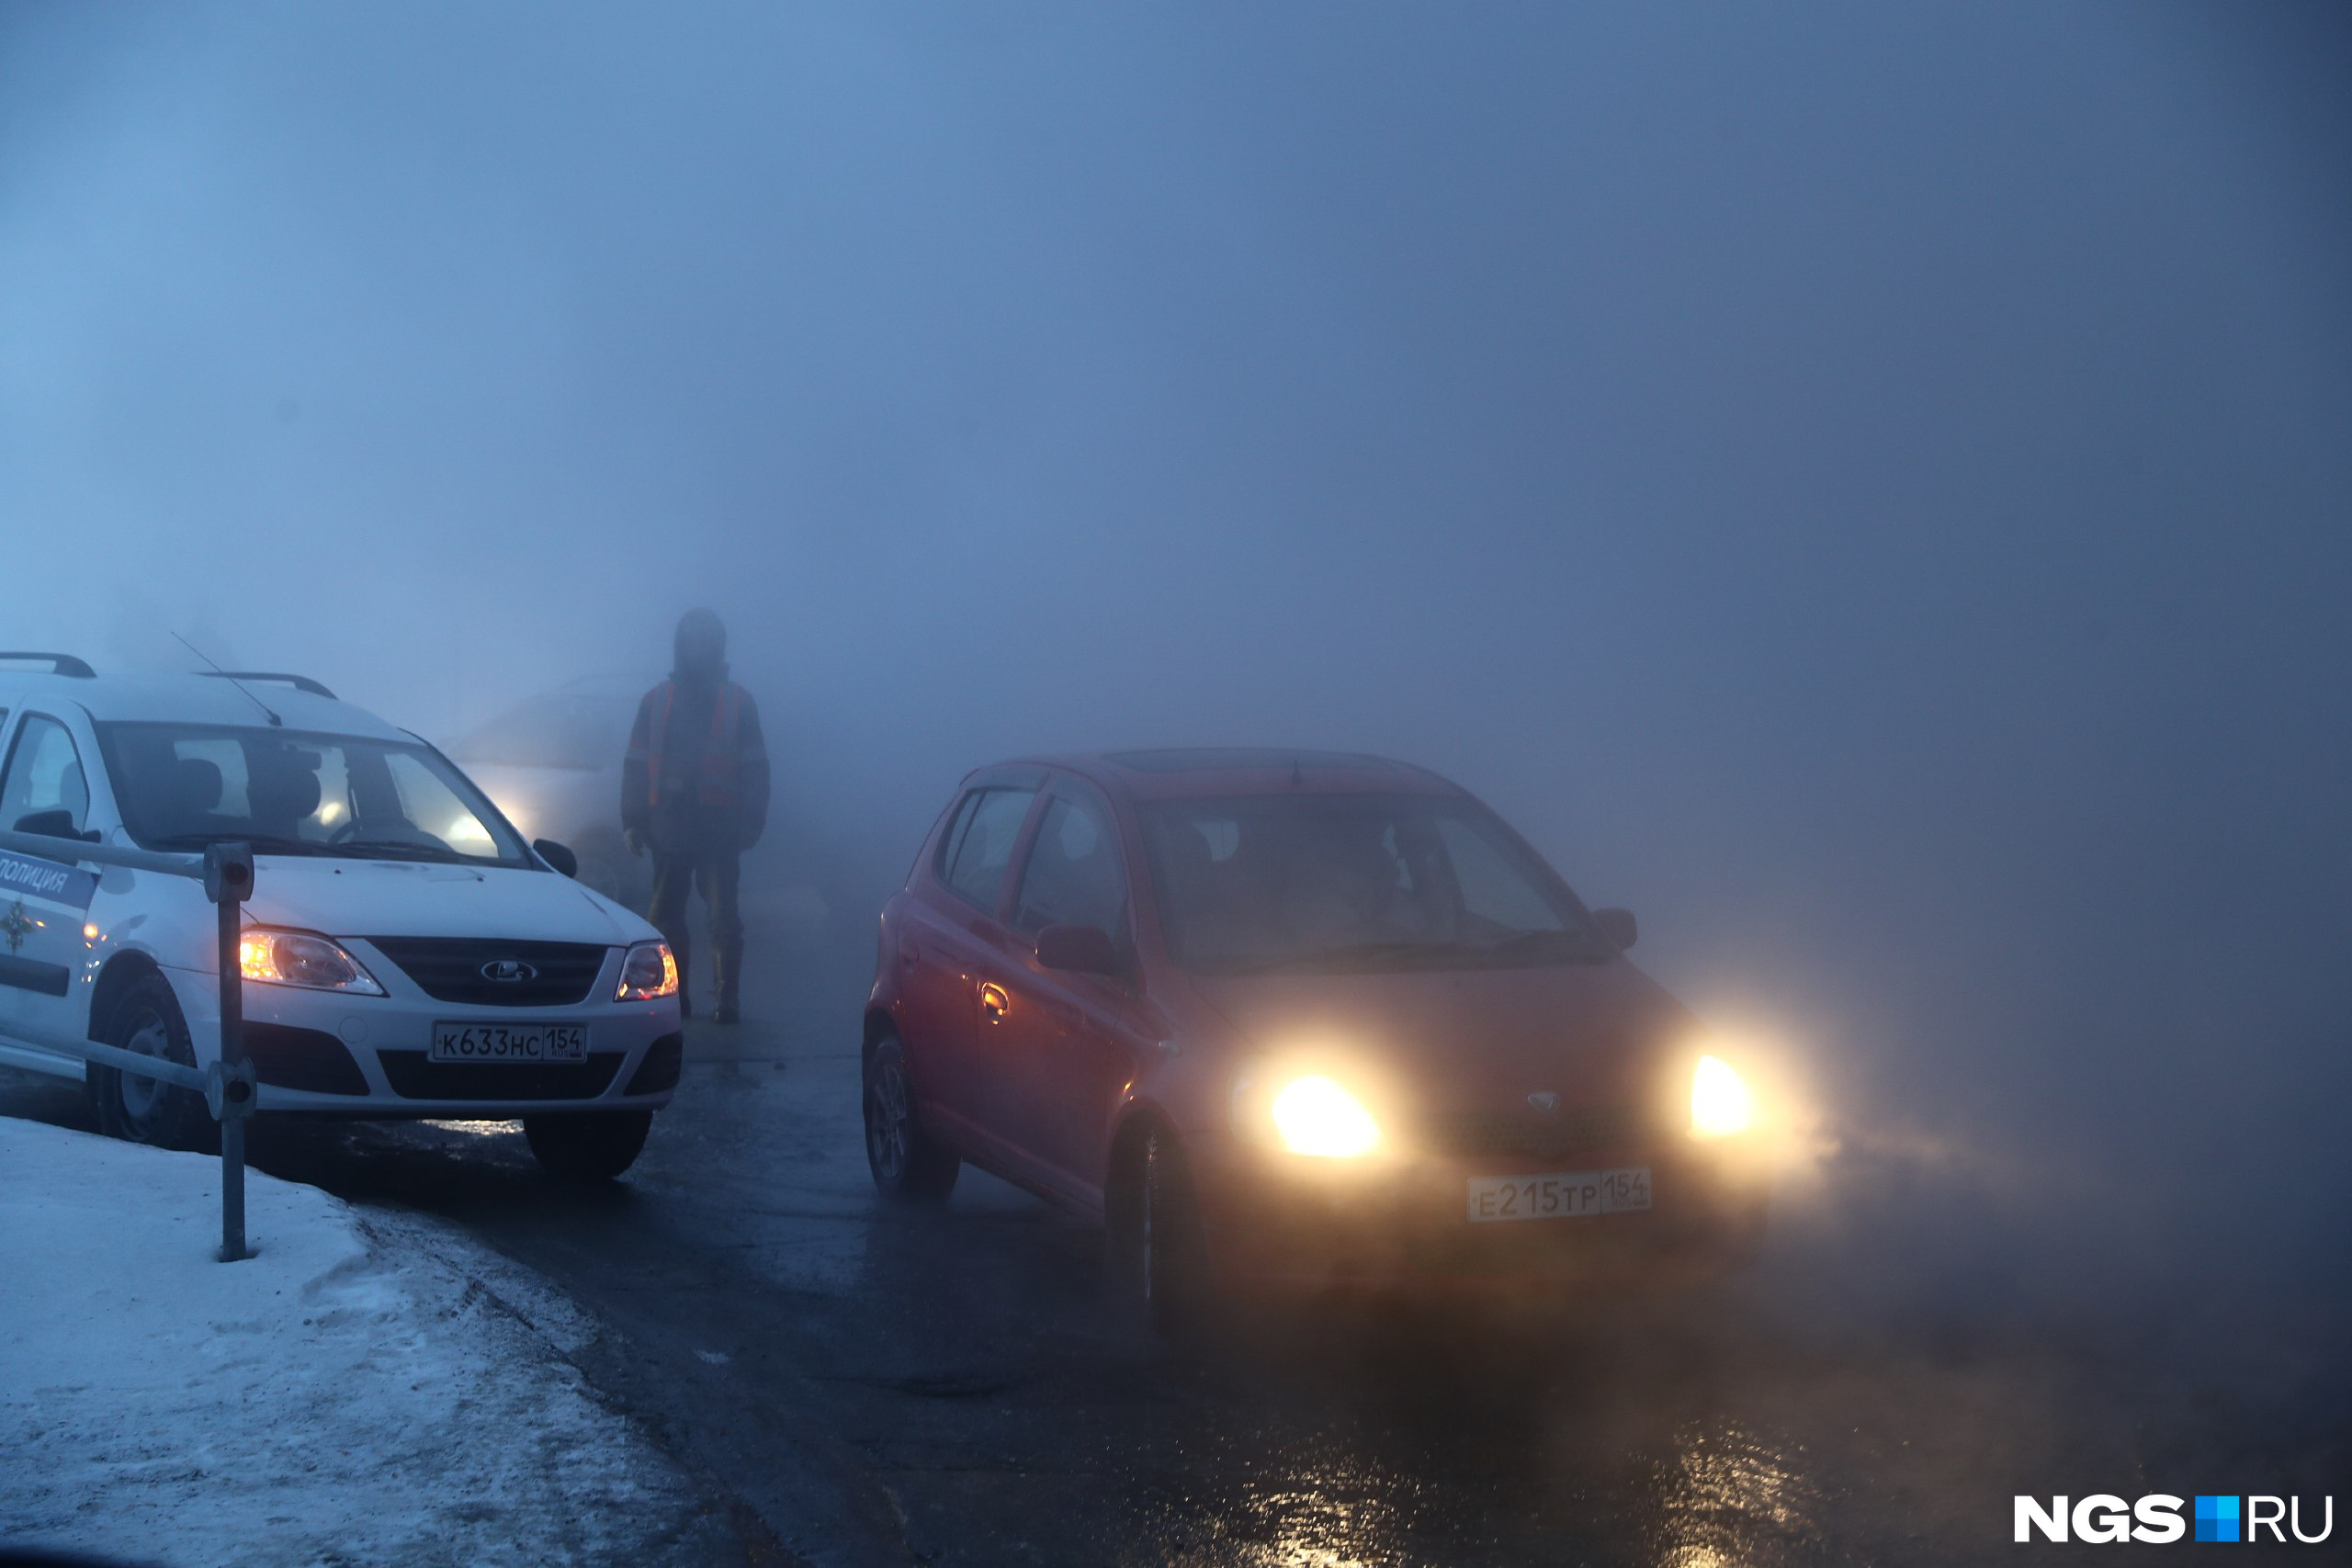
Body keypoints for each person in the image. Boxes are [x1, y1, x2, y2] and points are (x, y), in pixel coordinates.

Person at [622, 609, 770, 1023]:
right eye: (692, 639)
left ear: (719, 645)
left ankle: (728, 1001)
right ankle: (675, 1000)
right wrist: (632, 820)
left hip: (720, 829)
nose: (699, 647)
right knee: (666, 919)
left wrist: (754, 819)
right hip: (667, 826)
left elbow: (756, 766)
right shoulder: (655, 701)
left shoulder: (739, 702)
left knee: (723, 917)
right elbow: (634, 764)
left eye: (707, 639)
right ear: (680, 644)